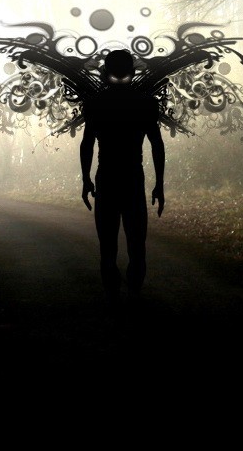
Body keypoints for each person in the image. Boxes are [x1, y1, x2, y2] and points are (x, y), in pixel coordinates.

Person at [80, 48, 165, 298]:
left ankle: (114, 295)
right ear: (133, 71)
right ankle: (134, 293)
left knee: (108, 245)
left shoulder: (96, 104)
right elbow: (157, 144)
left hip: (107, 178)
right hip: (132, 179)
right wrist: (159, 184)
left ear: (105, 73)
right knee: (136, 242)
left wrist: (86, 179)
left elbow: (87, 144)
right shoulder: (145, 103)